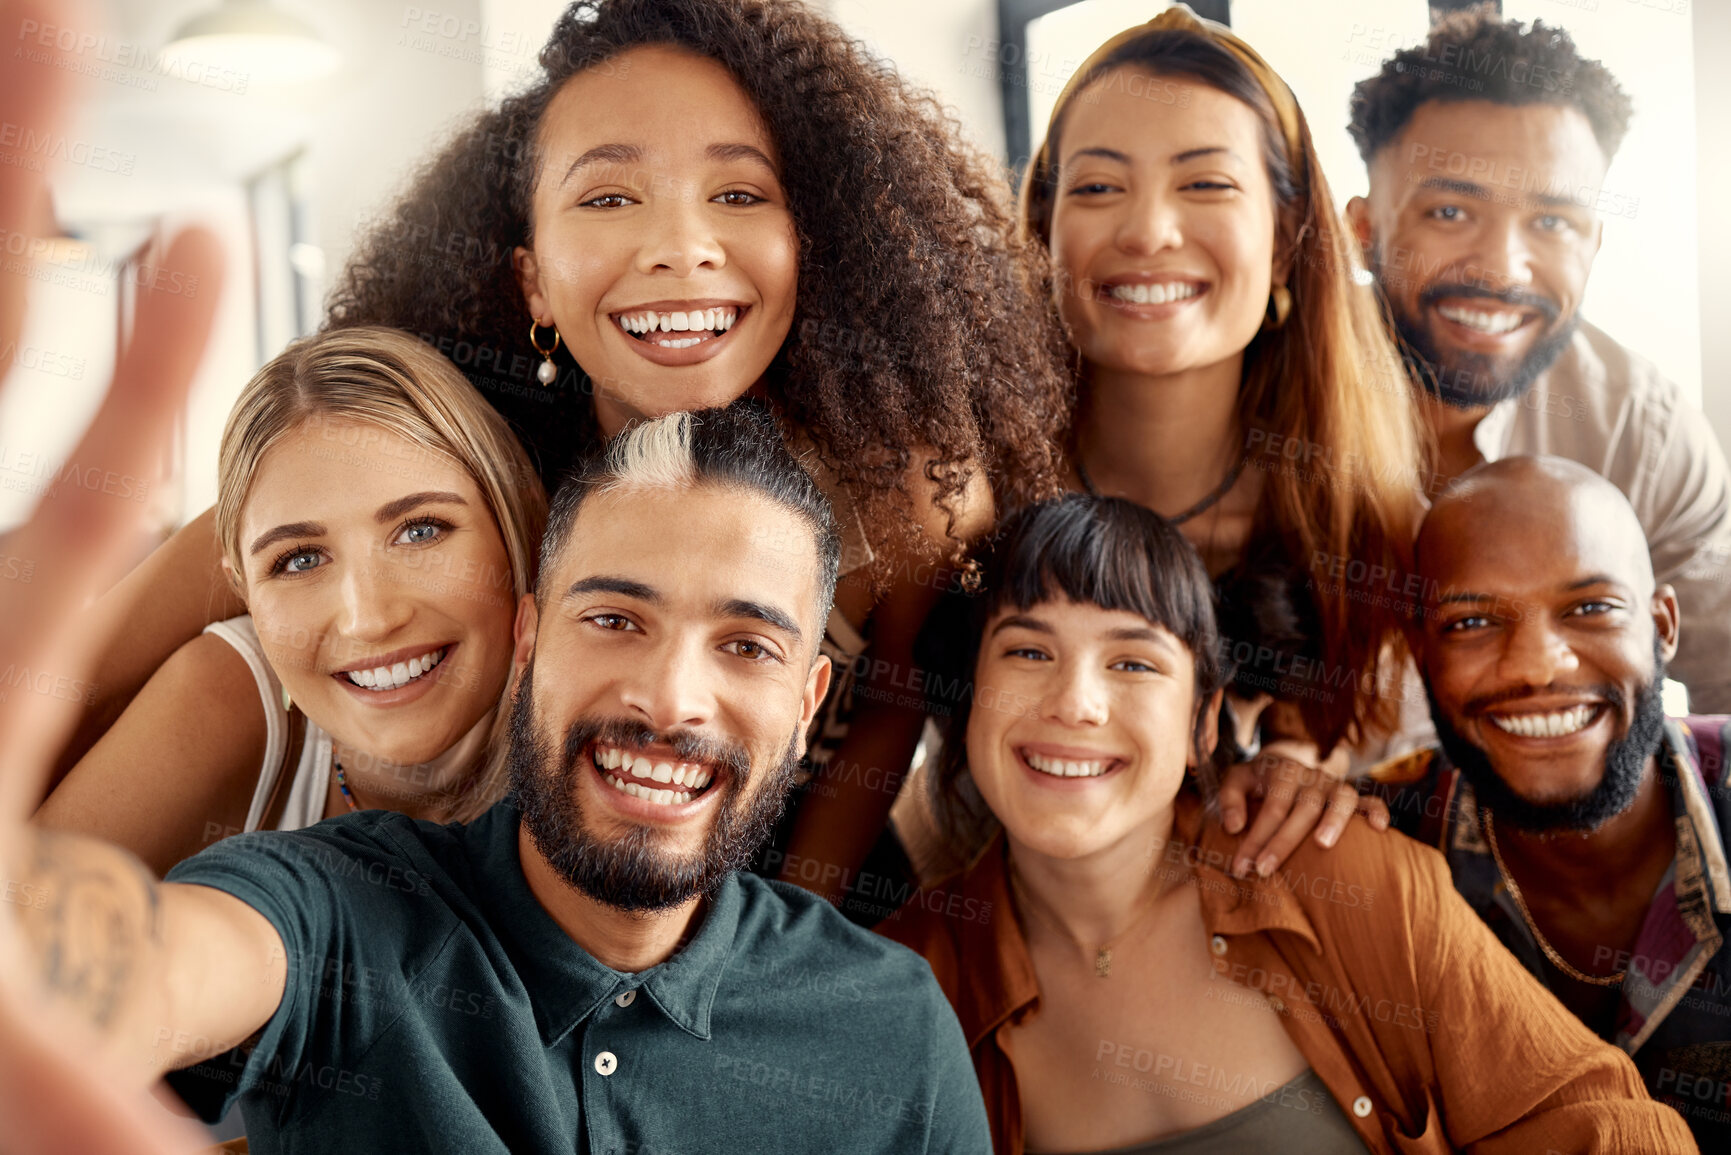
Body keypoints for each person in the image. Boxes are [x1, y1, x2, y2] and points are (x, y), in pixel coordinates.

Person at [51, 0, 1074, 917]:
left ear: (818, 238)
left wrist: (771, 936)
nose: (681, 247)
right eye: (609, 199)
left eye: (739, 195)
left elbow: (886, 718)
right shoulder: (468, 463)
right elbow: (112, 644)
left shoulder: (906, 484)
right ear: (533, 282)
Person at [2, 403, 992, 1153]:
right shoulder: (339, 912)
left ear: (809, 700)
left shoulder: (890, 1029)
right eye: (613, 620)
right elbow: (160, 968)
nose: (668, 698)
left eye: (745, 646)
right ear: (529, 641)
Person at [881, 492, 1696, 1154]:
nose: (1074, 703)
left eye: (1132, 662)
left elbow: (1607, 1131)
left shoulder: (1342, 878)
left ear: (1203, 724)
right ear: (972, 693)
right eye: (1027, 652)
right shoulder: (906, 983)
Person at [1010, 5, 1426, 878]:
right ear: (1044, 229)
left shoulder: (1363, 520)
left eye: (1204, 184)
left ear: (1284, 243)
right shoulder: (964, 493)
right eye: (1095, 187)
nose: (1148, 231)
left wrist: (1303, 767)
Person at [34, 328, 547, 875]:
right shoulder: (226, 696)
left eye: (420, 531)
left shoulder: (600, 744)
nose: (368, 619)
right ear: (242, 588)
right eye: (300, 560)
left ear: (512, 521)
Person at [1346, 6, 1731, 713]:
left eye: (1552, 222)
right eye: (1449, 214)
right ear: (1364, 230)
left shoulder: (1640, 430)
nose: (1501, 268)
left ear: (1593, 243)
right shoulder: (1252, 386)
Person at [1376, 455, 1731, 1148]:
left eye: (1590, 608)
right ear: (1421, 656)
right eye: (1471, 622)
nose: (1537, 664)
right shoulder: (1371, 846)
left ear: (1661, 625)